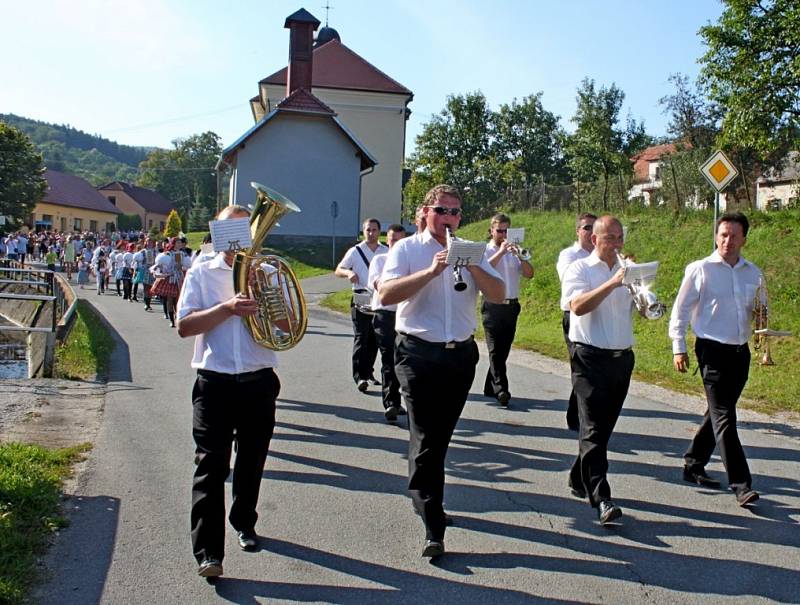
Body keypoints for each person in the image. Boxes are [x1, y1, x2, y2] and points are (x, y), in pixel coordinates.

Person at [379, 184, 504, 558]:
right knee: (427, 432)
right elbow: (385, 295)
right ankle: (434, 520)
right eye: (441, 211)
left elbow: (498, 294)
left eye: (455, 212)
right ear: (425, 212)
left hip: (460, 356)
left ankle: (421, 489)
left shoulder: (470, 248)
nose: (448, 218)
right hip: (417, 354)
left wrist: (474, 266)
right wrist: (432, 271)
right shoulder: (406, 249)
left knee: (439, 436)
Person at [176, 205, 282, 579]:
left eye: (244, 229)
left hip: (259, 380)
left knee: (252, 460)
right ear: (216, 233)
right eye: (228, 230)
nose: (236, 237)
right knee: (210, 465)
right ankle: (208, 553)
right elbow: (185, 326)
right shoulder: (201, 272)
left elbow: (286, 327)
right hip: (215, 381)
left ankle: (244, 523)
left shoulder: (268, 271)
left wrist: (263, 297)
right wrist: (227, 308)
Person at [669, 211, 761, 507]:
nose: (728, 241)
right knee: (725, 417)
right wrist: (678, 346)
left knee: (719, 412)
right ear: (716, 236)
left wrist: (761, 324)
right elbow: (681, 310)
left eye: (734, 235)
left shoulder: (753, 273)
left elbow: (761, 309)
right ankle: (741, 484)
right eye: (723, 234)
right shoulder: (701, 269)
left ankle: (693, 462)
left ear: (744, 239)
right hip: (711, 351)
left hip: (740, 352)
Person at [561, 215, 634, 526]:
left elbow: (640, 307)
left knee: (603, 428)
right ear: (594, 239)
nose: (616, 244)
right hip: (589, 357)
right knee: (592, 428)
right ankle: (602, 498)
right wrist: (613, 282)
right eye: (610, 238)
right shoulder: (578, 268)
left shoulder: (626, 269)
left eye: (620, 237)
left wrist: (641, 294)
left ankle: (580, 475)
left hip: (621, 358)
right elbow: (576, 306)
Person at [481, 213, 534, 407]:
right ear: (491, 231)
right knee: (495, 350)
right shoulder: (485, 251)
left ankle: (490, 385)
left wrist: (522, 257)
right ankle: (502, 389)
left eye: (506, 231)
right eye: (499, 230)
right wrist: (501, 252)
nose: (503, 234)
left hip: (512, 306)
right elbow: (485, 269)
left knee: (503, 349)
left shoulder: (514, 252)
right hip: (492, 305)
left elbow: (529, 274)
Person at [335, 218, 387, 392]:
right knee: (361, 337)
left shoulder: (386, 250)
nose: (371, 233)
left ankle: (369, 373)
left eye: (374, 230)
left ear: (379, 231)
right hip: (361, 298)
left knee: (374, 338)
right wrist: (349, 272)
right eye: (368, 230)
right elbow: (338, 269)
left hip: (379, 300)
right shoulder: (355, 251)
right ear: (363, 231)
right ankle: (359, 376)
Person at [556, 213, 597, 430]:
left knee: (591, 369)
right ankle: (578, 417)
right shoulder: (569, 255)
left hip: (598, 315)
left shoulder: (606, 256)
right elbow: (569, 281)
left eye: (594, 228)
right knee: (580, 366)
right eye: (587, 228)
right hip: (574, 316)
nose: (591, 232)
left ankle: (581, 416)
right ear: (578, 231)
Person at [367, 223, 407, 422]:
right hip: (384, 314)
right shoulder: (379, 260)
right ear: (387, 240)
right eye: (392, 240)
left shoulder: (408, 261)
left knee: (404, 360)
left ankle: (401, 400)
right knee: (389, 359)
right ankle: (391, 402)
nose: (395, 244)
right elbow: (377, 284)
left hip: (404, 315)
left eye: (399, 241)